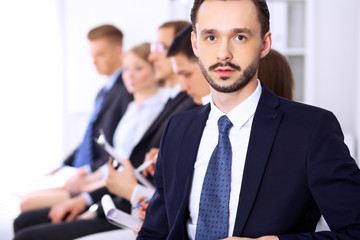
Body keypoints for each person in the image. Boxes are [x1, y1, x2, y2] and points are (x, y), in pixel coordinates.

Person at [137, 0, 360, 240]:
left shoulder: (310, 129)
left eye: (239, 37)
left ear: (264, 44)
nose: (223, 53)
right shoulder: (177, 129)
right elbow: (154, 231)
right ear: (195, 44)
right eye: (211, 37)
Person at [13, 42, 167, 240]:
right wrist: (85, 178)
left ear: (156, 71)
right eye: (126, 69)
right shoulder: (131, 107)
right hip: (104, 184)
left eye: (138, 68)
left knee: (27, 223)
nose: (128, 75)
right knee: (25, 216)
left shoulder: (155, 113)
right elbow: (113, 157)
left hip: (115, 195)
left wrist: (88, 195)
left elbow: (129, 166)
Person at [19, 24, 133, 212]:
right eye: (92, 56)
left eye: (100, 54)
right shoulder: (102, 92)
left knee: (28, 202)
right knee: (28, 193)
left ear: (118, 51)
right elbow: (90, 138)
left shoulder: (127, 91)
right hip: (81, 170)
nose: (94, 62)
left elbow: (114, 148)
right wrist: (64, 164)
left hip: (96, 175)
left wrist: (86, 172)